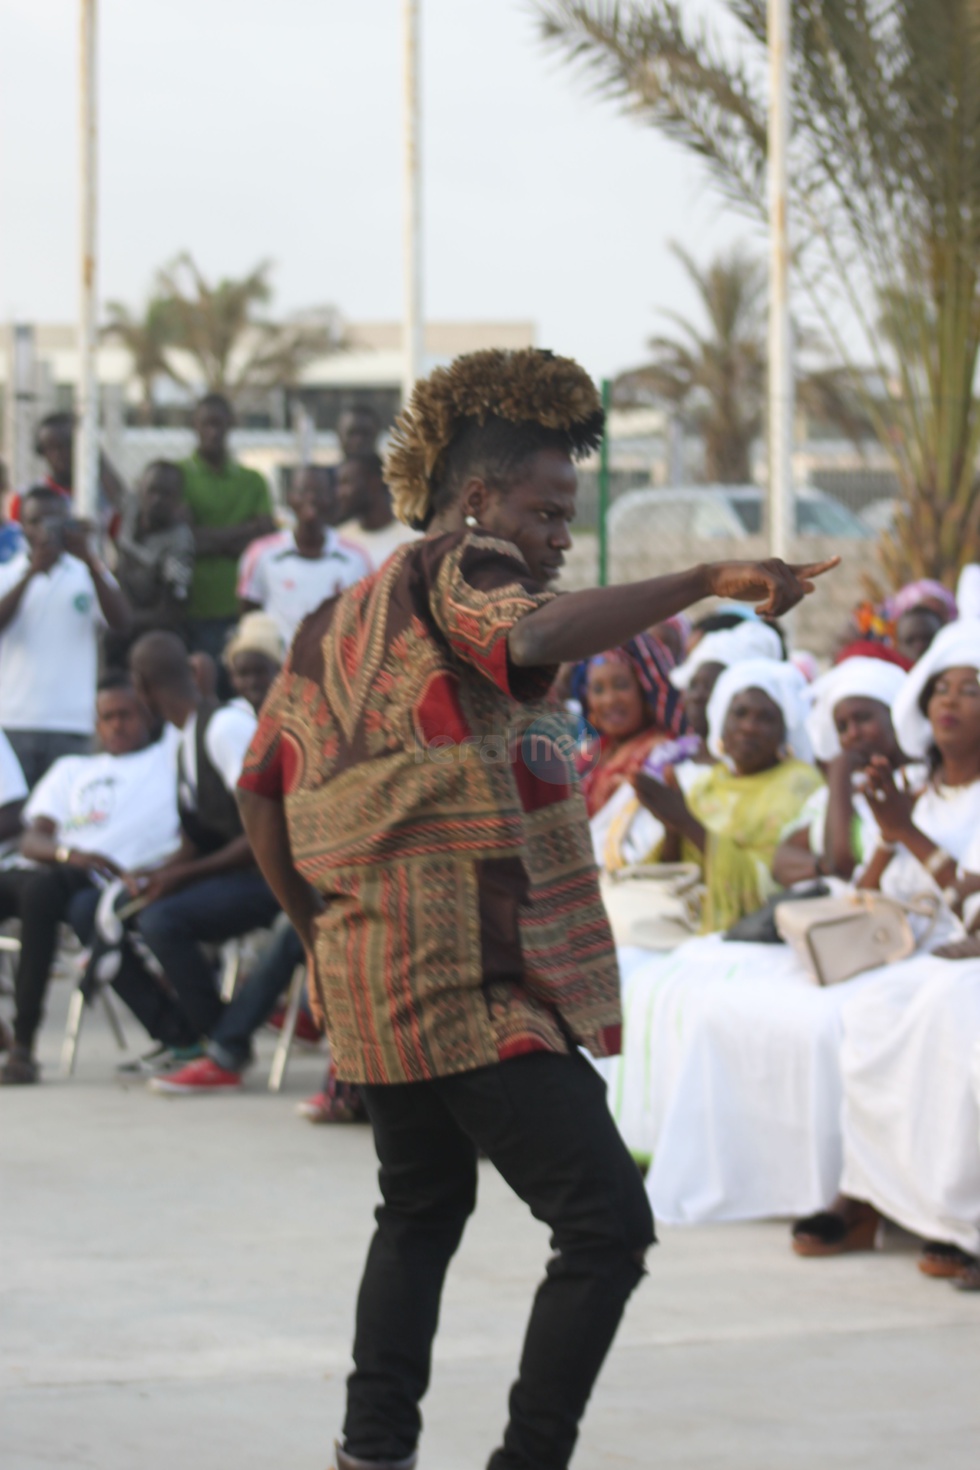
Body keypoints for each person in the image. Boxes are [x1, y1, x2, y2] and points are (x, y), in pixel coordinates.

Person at [233, 346, 835, 1470]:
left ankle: (372, 1452)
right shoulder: (465, 563)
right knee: (605, 1224)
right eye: (545, 507)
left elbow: (257, 786)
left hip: (377, 973)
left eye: (565, 511)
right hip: (467, 971)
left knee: (418, 1211)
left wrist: (318, 935)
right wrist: (707, 574)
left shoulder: (333, 618)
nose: (559, 531)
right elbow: (529, 635)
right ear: (475, 500)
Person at [793, 619, 980, 1270]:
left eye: (971, 689)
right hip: (924, 956)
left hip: (960, 961)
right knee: (869, 1009)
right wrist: (888, 825)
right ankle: (866, 1196)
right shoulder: (921, 793)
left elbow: (973, 905)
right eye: (942, 689)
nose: (952, 701)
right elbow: (864, 886)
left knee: (946, 1013)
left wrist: (909, 832)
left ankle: (963, 1218)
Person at [0, 676, 188, 1085]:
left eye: (126, 715)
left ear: (148, 715)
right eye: (107, 717)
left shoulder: (165, 761)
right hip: (49, 868)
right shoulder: (73, 769)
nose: (116, 725)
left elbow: (186, 702)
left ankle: (23, 1046)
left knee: (41, 894)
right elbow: (32, 836)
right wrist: (70, 853)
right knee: (37, 887)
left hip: (100, 884)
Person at [126, 632, 280, 1043]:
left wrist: (184, 876)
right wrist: (153, 873)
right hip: (235, 873)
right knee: (107, 909)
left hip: (272, 878)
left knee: (162, 919)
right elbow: (200, 838)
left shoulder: (224, 728)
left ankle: (216, 1040)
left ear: (141, 686)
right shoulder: (186, 740)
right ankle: (180, 1035)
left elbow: (267, 828)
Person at [633, 659, 823, 934]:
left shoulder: (800, 784)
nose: (749, 727)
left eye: (765, 718)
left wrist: (687, 822)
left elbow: (768, 882)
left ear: (784, 731)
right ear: (721, 723)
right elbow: (678, 871)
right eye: (740, 714)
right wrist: (672, 828)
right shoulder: (709, 783)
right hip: (687, 915)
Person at [0, 487, 131, 786]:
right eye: (36, 521)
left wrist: (90, 560)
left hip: (71, 722)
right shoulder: (7, 574)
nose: (45, 530)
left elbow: (122, 623)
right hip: (12, 722)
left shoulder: (86, 573)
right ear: (21, 525)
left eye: (54, 521)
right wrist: (33, 573)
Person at [774, 652, 910, 886]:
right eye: (842, 727)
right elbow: (780, 861)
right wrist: (823, 866)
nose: (853, 734)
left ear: (894, 716)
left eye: (864, 718)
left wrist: (839, 771)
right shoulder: (833, 793)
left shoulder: (916, 784)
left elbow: (841, 858)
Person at [179, 394, 275, 665]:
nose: (213, 432)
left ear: (230, 425)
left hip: (243, 605)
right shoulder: (179, 476)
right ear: (194, 426)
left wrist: (206, 537)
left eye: (219, 424)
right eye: (205, 424)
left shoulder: (253, 480)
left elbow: (263, 541)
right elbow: (185, 541)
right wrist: (242, 533)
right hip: (196, 605)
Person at [237, 464, 370, 643]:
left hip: (332, 665)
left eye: (319, 492)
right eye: (303, 491)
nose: (311, 499)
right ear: (290, 498)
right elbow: (250, 614)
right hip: (279, 665)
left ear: (332, 498)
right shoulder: (261, 553)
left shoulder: (355, 558)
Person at [109, 460, 195, 660]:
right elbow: (107, 478)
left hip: (151, 636)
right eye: (152, 491)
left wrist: (123, 620)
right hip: (118, 622)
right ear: (140, 489)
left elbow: (172, 612)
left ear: (178, 499)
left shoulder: (179, 543)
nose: (157, 500)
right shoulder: (130, 507)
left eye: (166, 494)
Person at [334, 452, 419, 569]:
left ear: (373, 483)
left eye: (347, 483)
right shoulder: (340, 541)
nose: (340, 493)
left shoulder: (413, 540)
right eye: (338, 484)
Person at [223, 611, 284, 714]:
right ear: (232, 677)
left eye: (260, 672)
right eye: (243, 673)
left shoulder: (292, 716)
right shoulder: (228, 717)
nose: (252, 682)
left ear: (278, 671)